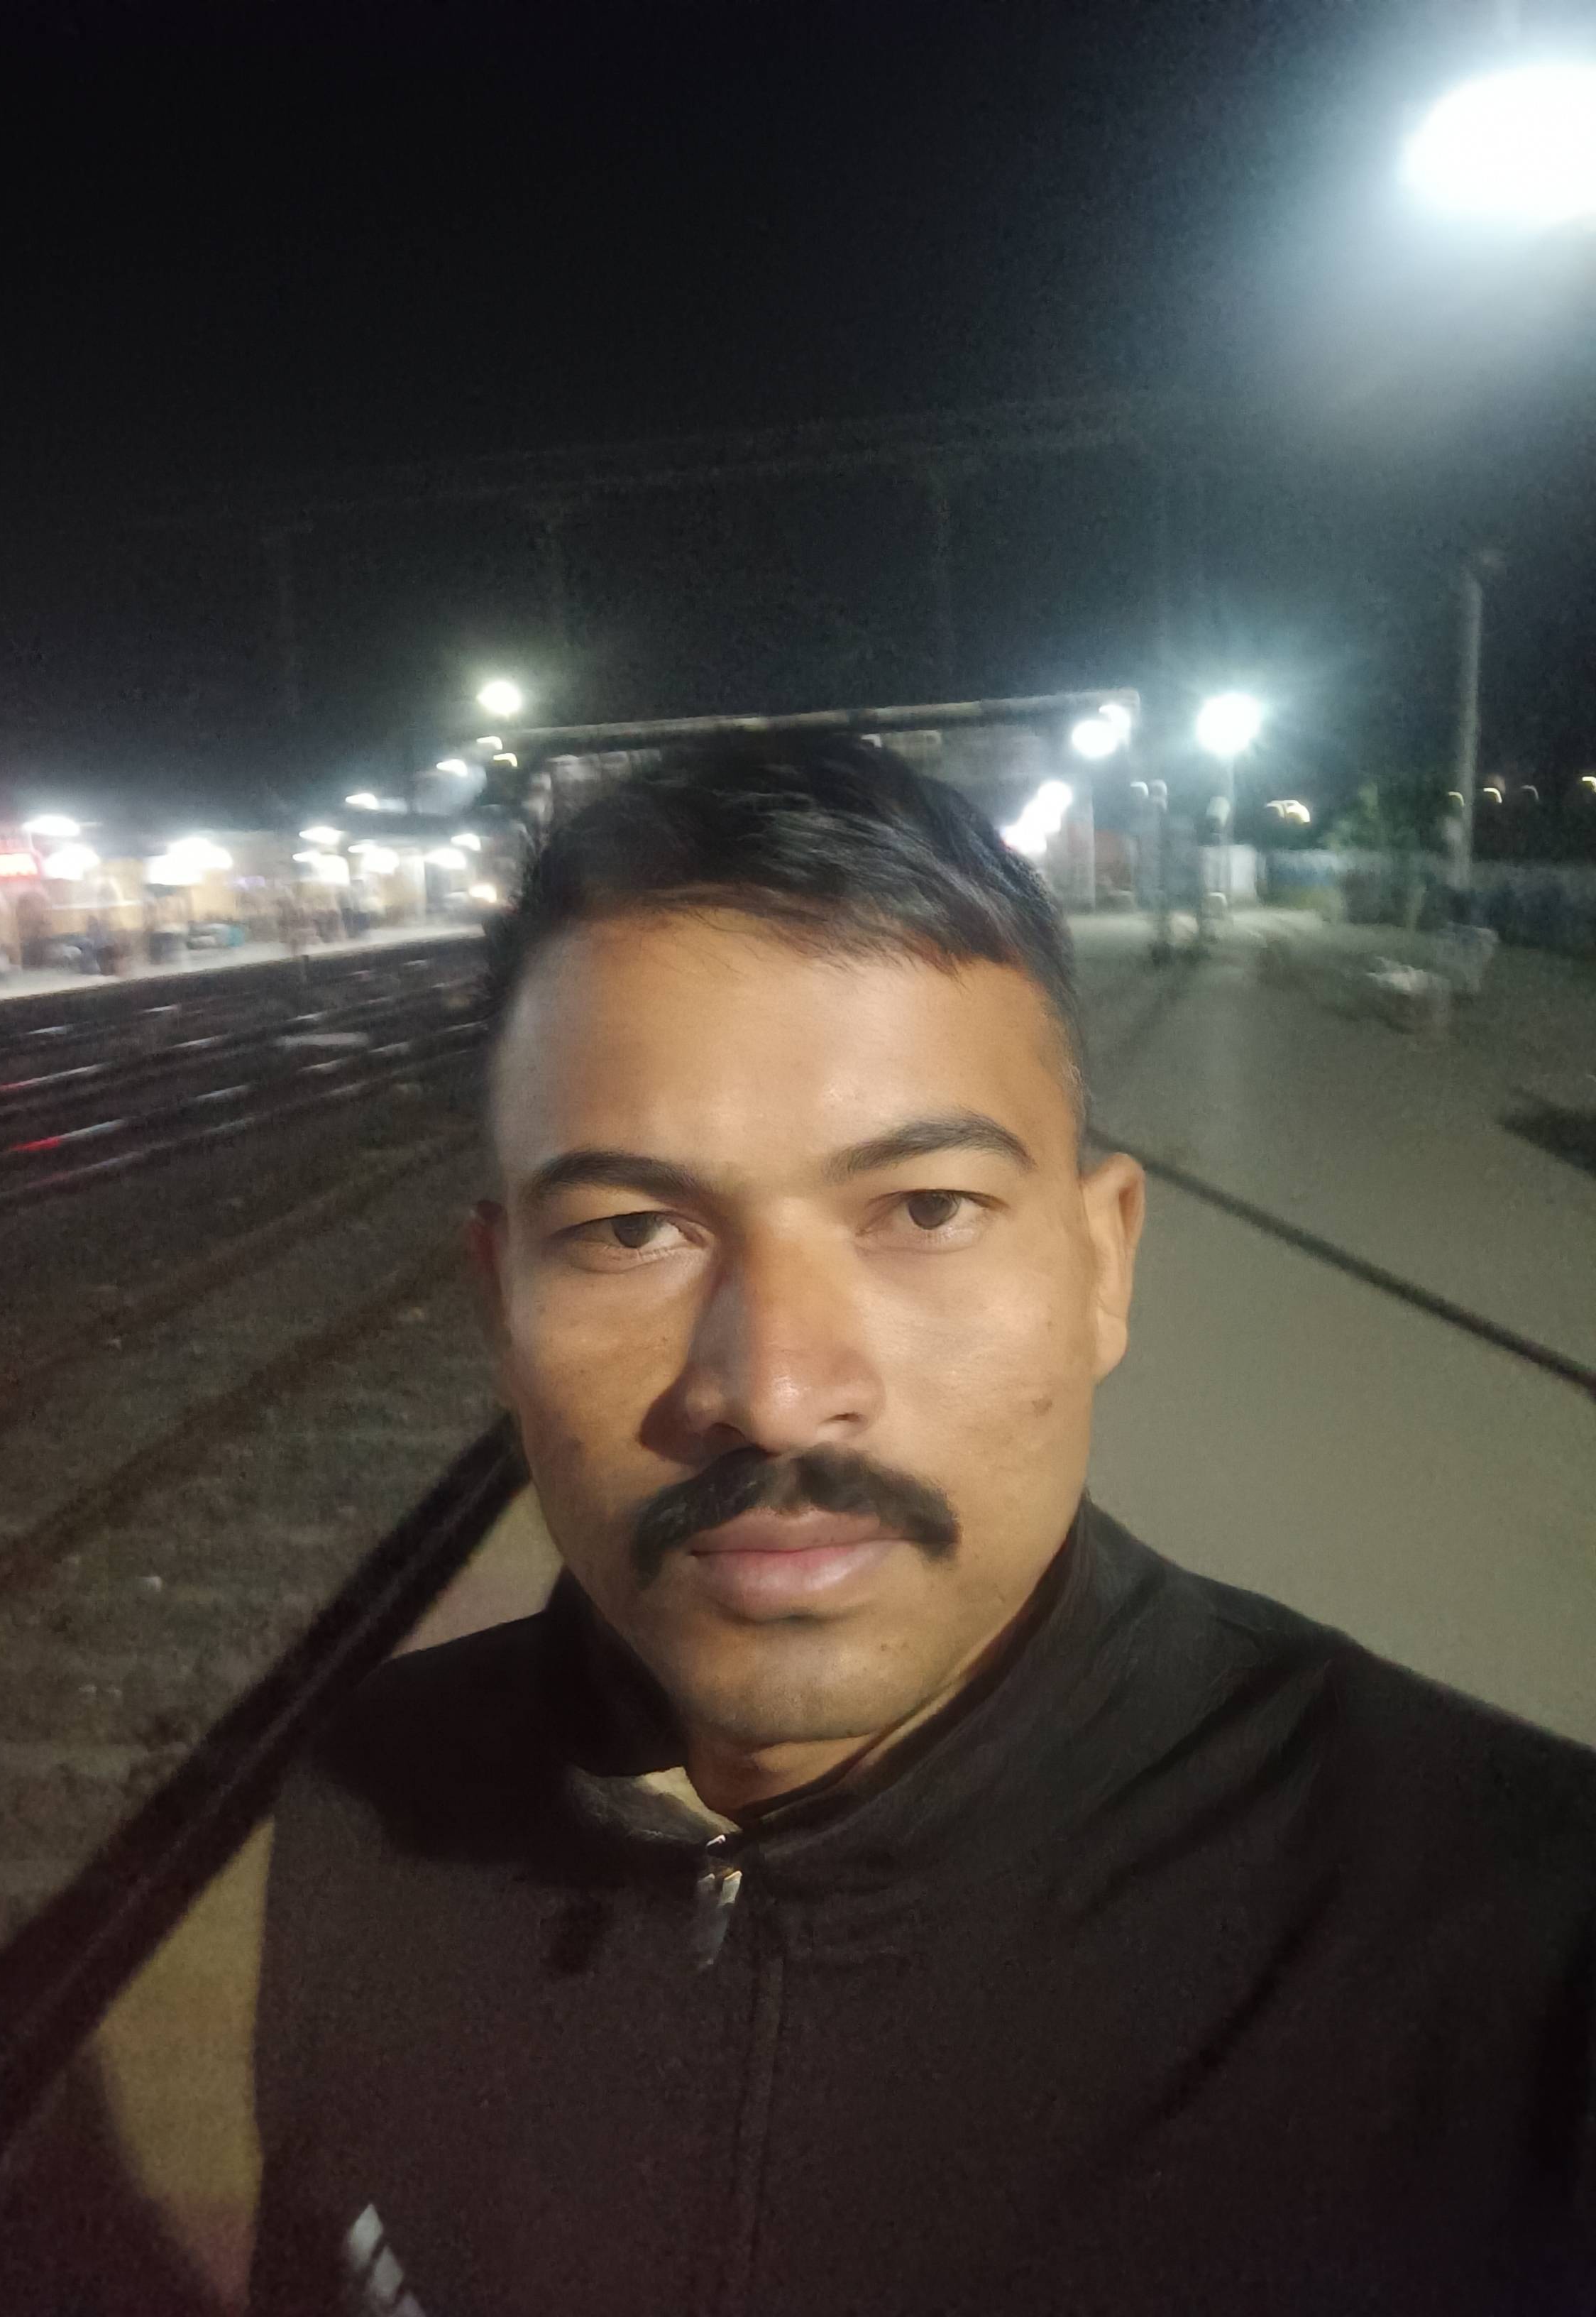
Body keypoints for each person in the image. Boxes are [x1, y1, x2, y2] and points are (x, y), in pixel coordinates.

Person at [251, 742, 1596, 2316]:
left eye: (926, 1209)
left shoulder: (1523, 1966)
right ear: (501, 1309)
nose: (774, 1393)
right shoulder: (370, 1807)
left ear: (1103, 1266)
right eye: (631, 1230)